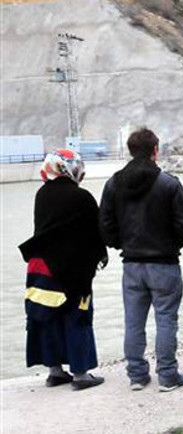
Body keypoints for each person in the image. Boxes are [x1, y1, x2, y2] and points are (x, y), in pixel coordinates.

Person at [99, 128, 183, 392]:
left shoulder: (113, 183)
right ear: (155, 150)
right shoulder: (169, 183)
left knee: (133, 322)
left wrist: (120, 244)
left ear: (130, 150)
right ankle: (168, 376)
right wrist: (174, 244)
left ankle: (137, 376)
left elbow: (105, 225)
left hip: (131, 264)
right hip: (164, 263)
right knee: (166, 320)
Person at [19, 149, 107, 390]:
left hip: (40, 267)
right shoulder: (81, 197)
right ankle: (80, 375)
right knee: (77, 318)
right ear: (69, 168)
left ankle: (55, 372)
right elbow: (95, 234)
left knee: (47, 317)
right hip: (72, 270)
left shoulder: (42, 194)